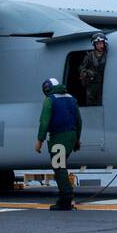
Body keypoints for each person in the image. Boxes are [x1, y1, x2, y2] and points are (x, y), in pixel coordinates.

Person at [35, 77, 82, 210]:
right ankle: (66, 197)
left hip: (58, 139)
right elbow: (79, 121)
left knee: (59, 168)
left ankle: (66, 199)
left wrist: (39, 141)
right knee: (62, 166)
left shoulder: (50, 100)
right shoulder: (71, 98)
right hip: (71, 136)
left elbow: (44, 121)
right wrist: (77, 139)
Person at [79, 33, 108, 105]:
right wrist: (87, 72)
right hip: (92, 84)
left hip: (104, 83)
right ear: (94, 45)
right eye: (97, 44)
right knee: (91, 102)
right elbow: (81, 68)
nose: (99, 45)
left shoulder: (108, 55)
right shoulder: (89, 56)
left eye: (101, 43)